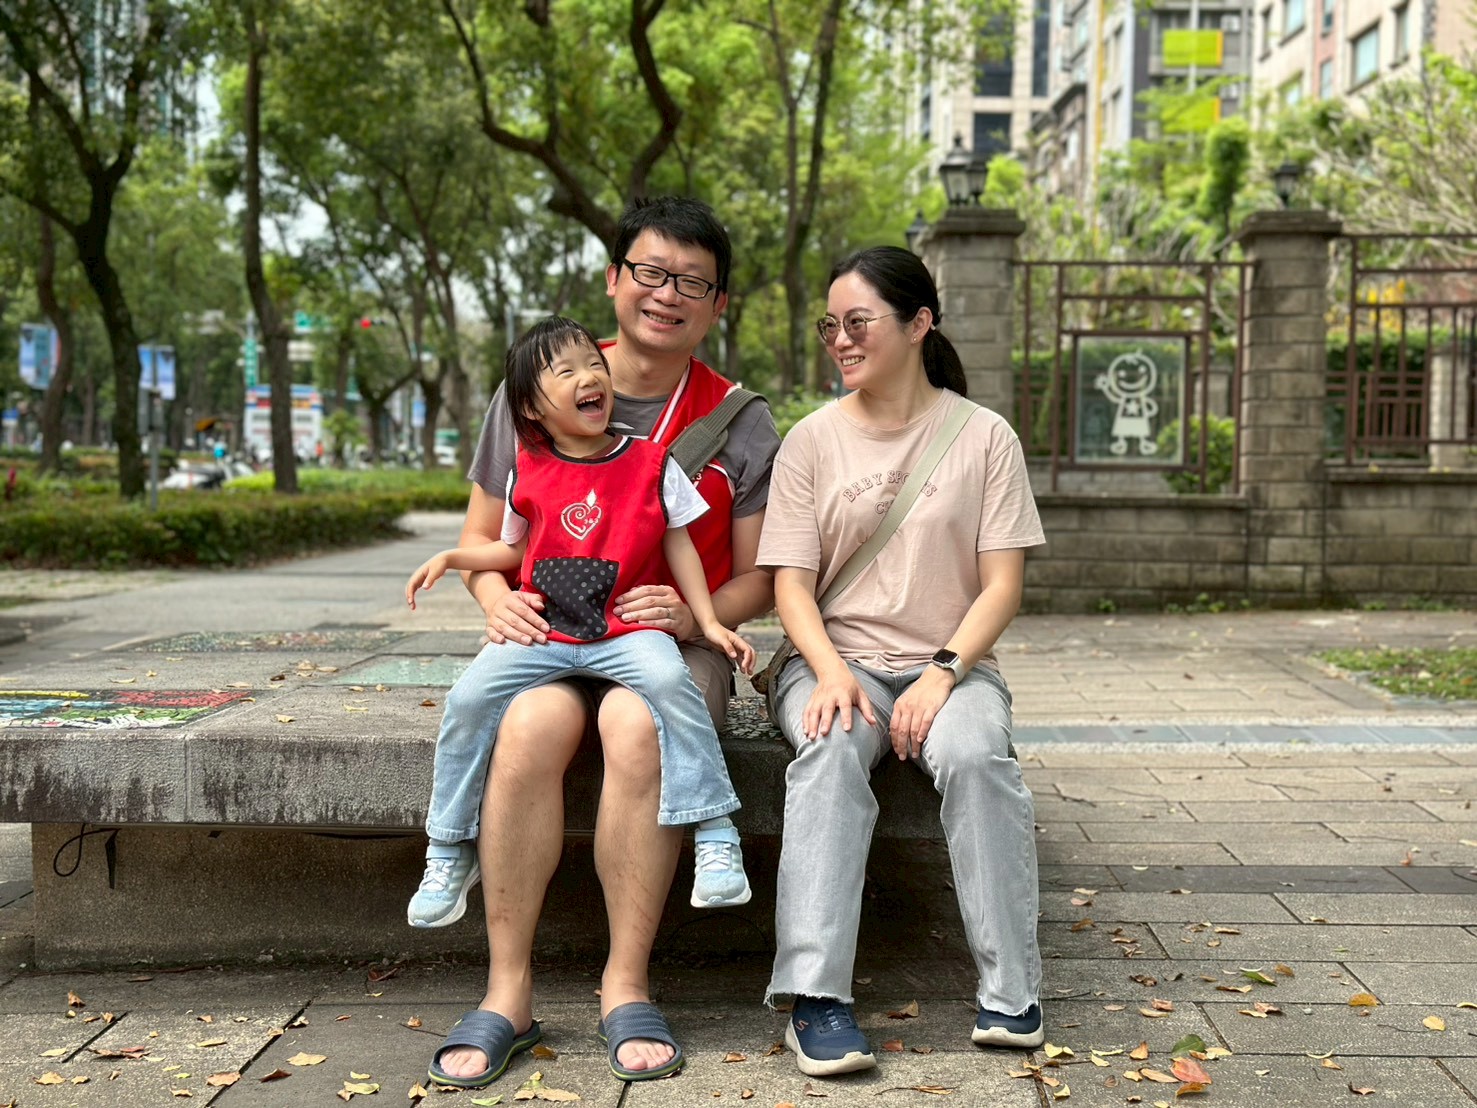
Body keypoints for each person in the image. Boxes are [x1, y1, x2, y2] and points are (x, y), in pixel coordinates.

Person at [425, 197, 780, 1088]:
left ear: (717, 305)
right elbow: (485, 541)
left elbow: (759, 577)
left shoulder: (739, 419)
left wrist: (692, 615)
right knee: (528, 726)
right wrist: (495, 600)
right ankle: (507, 991)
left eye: (692, 283)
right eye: (650, 272)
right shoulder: (535, 388)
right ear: (615, 279)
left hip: (666, 642)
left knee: (635, 726)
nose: (667, 295)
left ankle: (625, 983)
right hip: (550, 630)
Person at [759, 246, 1046, 1078]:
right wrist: (829, 671)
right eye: (830, 326)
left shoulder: (984, 437)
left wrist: (942, 672)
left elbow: (1001, 586)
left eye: (858, 323)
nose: (840, 340)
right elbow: (789, 586)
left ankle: (1011, 991)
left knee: (976, 755)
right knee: (831, 747)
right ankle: (815, 998)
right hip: (832, 657)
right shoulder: (812, 440)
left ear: (919, 323)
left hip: (950, 666)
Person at [406, 317, 756, 954]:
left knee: (672, 686)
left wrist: (706, 622)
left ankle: (714, 832)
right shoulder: (528, 470)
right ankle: (449, 846)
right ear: (530, 408)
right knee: (468, 699)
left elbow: (680, 546)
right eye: (563, 372)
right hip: (547, 632)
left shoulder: (652, 462)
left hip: (626, 628)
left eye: (593, 364)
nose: (589, 376)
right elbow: (512, 551)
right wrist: (455, 559)